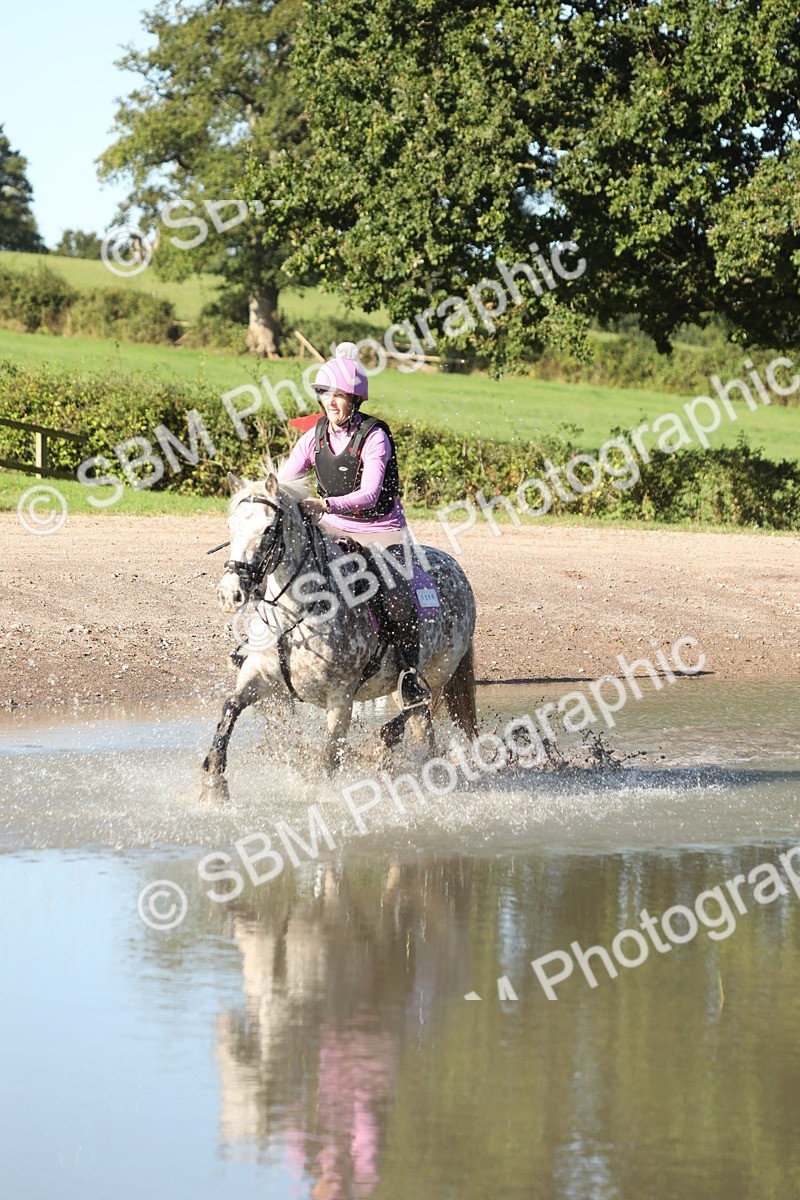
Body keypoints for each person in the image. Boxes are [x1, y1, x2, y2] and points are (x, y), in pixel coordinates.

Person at [282, 342, 431, 711]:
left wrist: (325, 503)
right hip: (332, 528)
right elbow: (286, 478)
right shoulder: (313, 436)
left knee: (397, 601)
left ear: (355, 400)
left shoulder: (375, 436)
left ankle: (409, 678)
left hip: (381, 530)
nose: (330, 403)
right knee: (282, 570)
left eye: (339, 396)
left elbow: (369, 493)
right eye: (325, 395)